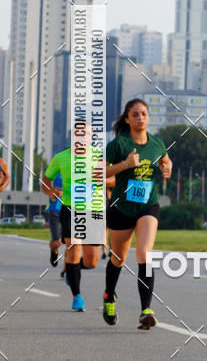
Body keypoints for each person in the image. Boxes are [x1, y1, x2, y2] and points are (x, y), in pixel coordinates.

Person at [104, 98, 172, 329]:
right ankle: (109, 296)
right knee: (118, 259)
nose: (140, 118)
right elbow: (99, 173)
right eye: (135, 114)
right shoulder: (118, 144)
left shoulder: (157, 143)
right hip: (121, 208)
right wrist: (125, 164)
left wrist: (167, 167)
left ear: (148, 117)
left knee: (145, 253)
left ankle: (146, 310)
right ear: (127, 119)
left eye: (143, 114)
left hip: (147, 205)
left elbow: (165, 159)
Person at [42, 137, 104, 311]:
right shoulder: (61, 157)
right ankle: (77, 297)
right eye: (79, 133)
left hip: (94, 210)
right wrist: (51, 191)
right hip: (69, 209)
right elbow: (45, 181)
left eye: (87, 134)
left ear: (92, 137)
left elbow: (113, 180)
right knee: (74, 248)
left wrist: (100, 178)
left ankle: (71, 269)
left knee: (92, 262)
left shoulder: (99, 156)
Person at [45, 173, 63, 268]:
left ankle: (70, 267)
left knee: (72, 243)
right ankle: (53, 251)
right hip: (56, 209)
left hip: (72, 210)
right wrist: (52, 191)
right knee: (57, 242)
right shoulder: (57, 166)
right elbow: (45, 183)